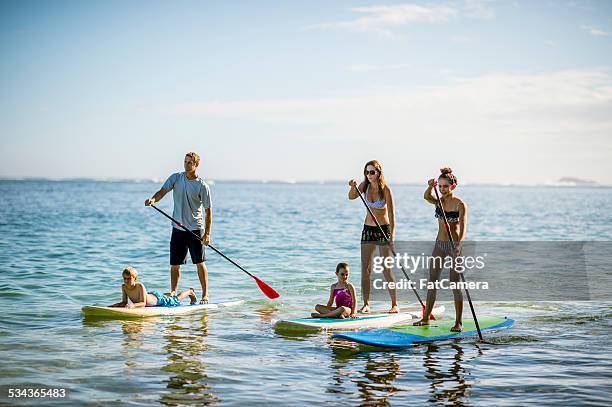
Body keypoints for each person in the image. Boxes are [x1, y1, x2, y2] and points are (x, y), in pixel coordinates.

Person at [145, 152, 212, 304]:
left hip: (195, 229)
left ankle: (205, 294)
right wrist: (153, 199)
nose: (186, 165)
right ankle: (174, 291)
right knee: (175, 264)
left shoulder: (202, 186)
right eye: (185, 162)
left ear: (196, 165)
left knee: (199, 263)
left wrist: (207, 234)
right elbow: (162, 192)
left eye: (190, 163)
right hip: (178, 228)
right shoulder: (176, 178)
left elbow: (208, 212)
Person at [414, 167, 468, 332]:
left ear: (453, 186)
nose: (443, 189)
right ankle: (425, 319)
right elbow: (426, 196)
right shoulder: (438, 200)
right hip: (439, 245)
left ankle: (458, 322)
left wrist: (458, 246)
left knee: (455, 284)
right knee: (432, 281)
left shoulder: (460, 204)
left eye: (446, 186)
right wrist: (430, 186)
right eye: (441, 186)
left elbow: (464, 228)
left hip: (454, 246)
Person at [348, 160, 399, 314]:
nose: (369, 175)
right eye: (367, 172)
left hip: (383, 230)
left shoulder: (386, 190)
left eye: (372, 172)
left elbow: (391, 214)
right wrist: (352, 187)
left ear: (378, 173)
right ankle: (366, 304)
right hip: (368, 230)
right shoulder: (364, 185)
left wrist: (392, 237)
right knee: (366, 269)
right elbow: (351, 197)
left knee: (386, 269)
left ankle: (394, 304)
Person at [109, 266, 196, 308]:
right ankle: (168, 294)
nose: (126, 281)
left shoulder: (140, 286)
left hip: (158, 299)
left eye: (129, 278)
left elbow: (143, 303)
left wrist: (132, 306)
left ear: (135, 279)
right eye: (125, 278)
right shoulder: (124, 287)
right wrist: (113, 306)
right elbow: (124, 302)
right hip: (150, 295)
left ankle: (189, 292)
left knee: (175, 300)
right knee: (169, 296)